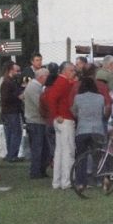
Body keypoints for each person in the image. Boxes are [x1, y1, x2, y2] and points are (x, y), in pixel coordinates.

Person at [71, 76, 106, 195]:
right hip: (97, 130)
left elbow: (74, 112)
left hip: (82, 130)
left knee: (81, 157)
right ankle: (98, 180)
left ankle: (81, 182)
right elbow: (103, 112)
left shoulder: (78, 98)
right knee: (97, 156)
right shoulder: (100, 98)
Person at [44, 61, 76, 190]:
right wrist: (56, 114)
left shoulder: (61, 82)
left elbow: (50, 97)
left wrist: (55, 115)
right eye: (72, 70)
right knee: (68, 151)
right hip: (65, 119)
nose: (74, 73)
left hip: (60, 120)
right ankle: (66, 181)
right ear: (65, 71)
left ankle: (57, 181)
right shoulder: (62, 82)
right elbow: (51, 98)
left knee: (59, 151)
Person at [23, 67, 50, 179]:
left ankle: (41, 170)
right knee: (37, 148)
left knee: (43, 148)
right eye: (47, 76)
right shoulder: (34, 87)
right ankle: (35, 171)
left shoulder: (37, 87)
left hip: (38, 121)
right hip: (35, 121)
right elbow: (39, 104)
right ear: (41, 77)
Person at [0, 61, 24, 162]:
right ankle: (13, 154)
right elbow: (5, 98)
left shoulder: (10, 82)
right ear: (11, 71)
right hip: (11, 111)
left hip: (8, 111)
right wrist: (18, 97)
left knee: (10, 133)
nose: (18, 73)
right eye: (16, 71)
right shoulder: (7, 83)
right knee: (16, 132)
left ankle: (10, 154)